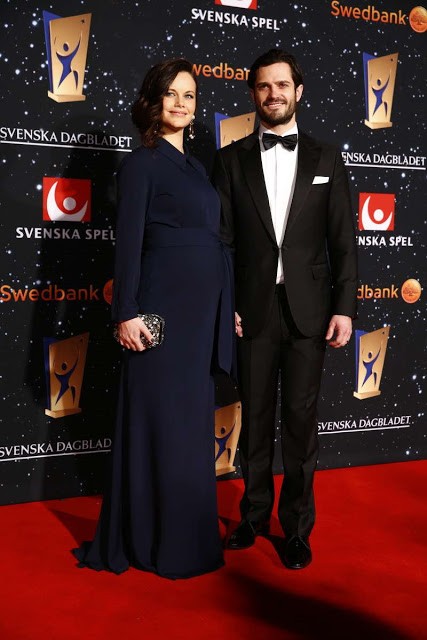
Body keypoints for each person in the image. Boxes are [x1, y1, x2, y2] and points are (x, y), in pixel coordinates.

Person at [73, 58, 234, 579]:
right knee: (159, 421)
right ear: (153, 99)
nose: (181, 103)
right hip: (160, 311)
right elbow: (128, 246)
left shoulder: (196, 167)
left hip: (199, 317)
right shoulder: (142, 164)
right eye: (172, 93)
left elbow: (210, 245)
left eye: (190, 95)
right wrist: (125, 313)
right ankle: (149, 539)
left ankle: (185, 536)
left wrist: (224, 307)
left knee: (188, 426)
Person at [212, 49, 358, 570]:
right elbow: (222, 243)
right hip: (251, 311)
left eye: (281, 85)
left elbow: (344, 242)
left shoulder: (327, 158)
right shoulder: (229, 160)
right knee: (254, 419)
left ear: (298, 91)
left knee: (300, 420)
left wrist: (344, 307)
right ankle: (253, 516)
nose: (273, 94)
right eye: (263, 86)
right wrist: (225, 304)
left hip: (309, 311)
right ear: (253, 94)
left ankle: (296, 528)